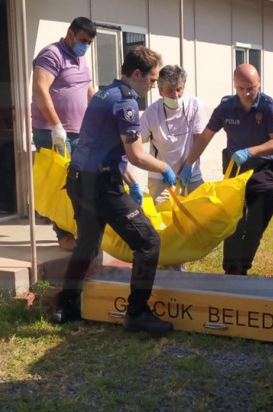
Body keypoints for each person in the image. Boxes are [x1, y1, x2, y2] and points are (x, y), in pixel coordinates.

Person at [53, 45, 177, 334]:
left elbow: (105, 147)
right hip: (101, 187)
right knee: (148, 243)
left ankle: (65, 305)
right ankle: (137, 314)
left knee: (86, 244)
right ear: (137, 73)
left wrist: (132, 183)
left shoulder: (103, 93)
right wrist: (163, 168)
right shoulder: (126, 103)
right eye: (153, 79)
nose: (153, 85)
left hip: (78, 179)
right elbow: (135, 155)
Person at [179, 63, 273, 276]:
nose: (246, 93)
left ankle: (243, 267)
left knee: (255, 226)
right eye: (241, 88)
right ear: (234, 86)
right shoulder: (226, 107)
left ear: (259, 84)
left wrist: (251, 151)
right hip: (234, 170)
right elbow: (205, 138)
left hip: (261, 170)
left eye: (251, 88)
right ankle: (232, 271)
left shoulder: (268, 107)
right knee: (234, 223)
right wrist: (188, 164)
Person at [31, 17, 96, 251]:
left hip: (79, 132)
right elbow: (40, 88)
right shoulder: (52, 54)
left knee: (79, 184)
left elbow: (88, 88)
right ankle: (64, 235)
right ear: (70, 34)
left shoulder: (81, 57)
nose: (85, 45)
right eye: (82, 40)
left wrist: (97, 118)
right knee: (61, 184)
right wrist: (56, 125)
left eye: (89, 42)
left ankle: (78, 229)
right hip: (54, 132)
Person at [138, 65, 207, 271]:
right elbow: (134, 144)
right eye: (170, 91)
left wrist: (187, 167)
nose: (176, 95)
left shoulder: (194, 105)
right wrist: (161, 169)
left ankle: (182, 263)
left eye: (179, 89)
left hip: (190, 176)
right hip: (162, 181)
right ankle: (171, 271)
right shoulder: (152, 113)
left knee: (197, 221)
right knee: (167, 227)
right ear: (160, 91)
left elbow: (199, 141)